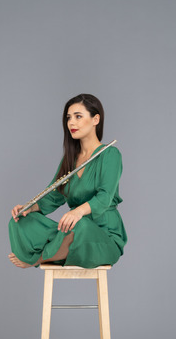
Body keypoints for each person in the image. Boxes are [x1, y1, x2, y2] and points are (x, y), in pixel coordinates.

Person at [8, 93, 128, 269]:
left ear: (96, 119)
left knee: (81, 226)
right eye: (69, 118)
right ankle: (60, 251)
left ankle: (38, 259)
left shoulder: (110, 154)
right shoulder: (70, 160)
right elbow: (53, 196)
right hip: (73, 229)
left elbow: (105, 197)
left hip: (104, 237)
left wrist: (78, 212)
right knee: (19, 220)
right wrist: (28, 208)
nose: (71, 122)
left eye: (78, 116)